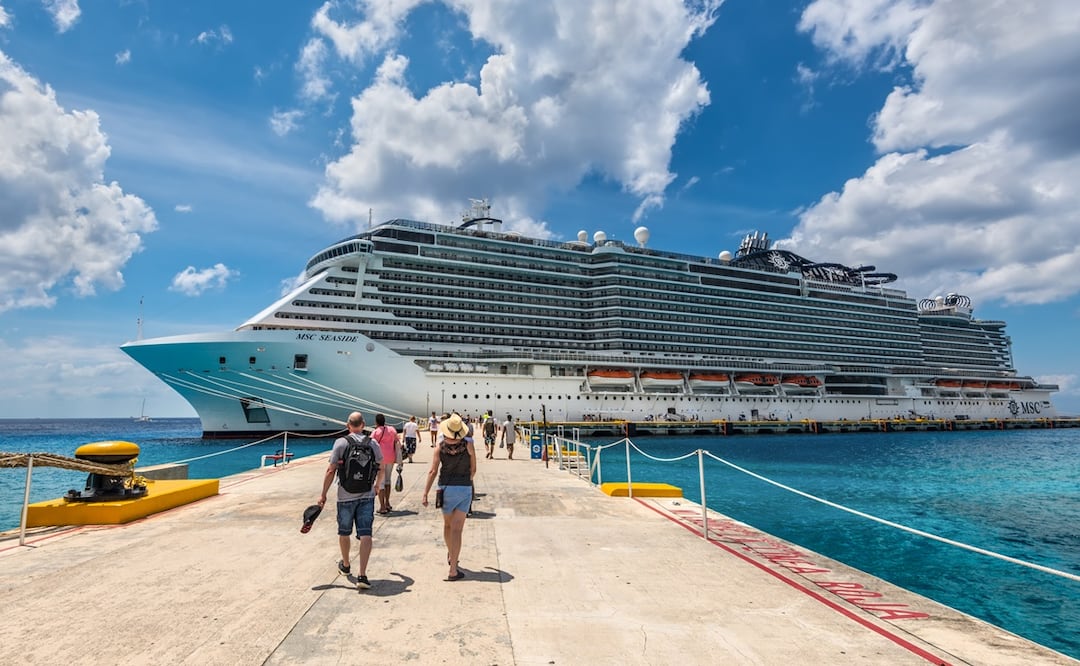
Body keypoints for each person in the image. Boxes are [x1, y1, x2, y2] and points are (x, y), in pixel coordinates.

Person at [318, 412, 383, 590]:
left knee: (344, 532)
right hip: (367, 495)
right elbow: (381, 467)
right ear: (363, 424)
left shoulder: (341, 442)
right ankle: (363, 575)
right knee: (366, 534)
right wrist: (378, 486)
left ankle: (346, 565)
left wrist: (323, 494)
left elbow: (331, 470)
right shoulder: (373, 443)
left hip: (344, 495)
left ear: (348, 425)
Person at [422, 413, 476, 581]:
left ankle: (451, 553)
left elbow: (432, 471)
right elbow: (473, 469)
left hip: (444, 489)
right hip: (464, 488)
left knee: (447, 526)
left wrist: (425, 493)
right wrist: (467, 480)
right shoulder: (468, 445)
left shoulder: (440, 447)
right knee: (458, 529)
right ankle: (453, 568)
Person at [371, 413, 401, 514]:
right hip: (391, 458)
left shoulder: (375, 432)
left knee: (380, 483)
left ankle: (382, 507)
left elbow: (370, 444)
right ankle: (387, 503)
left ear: (376, 422)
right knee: (388, 481)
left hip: (380, 460)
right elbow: (397, 441)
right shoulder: (392, 430)